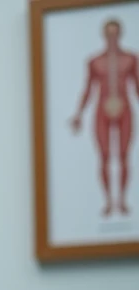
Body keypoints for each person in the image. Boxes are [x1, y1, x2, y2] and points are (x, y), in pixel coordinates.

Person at [71, 18, 139, 216]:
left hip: (124, 108)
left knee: (124, 156)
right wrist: (79, 114)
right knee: (104, 157)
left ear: (120, 34)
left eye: (115, 33)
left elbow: (137, 87)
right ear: (104, 35)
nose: (112, 37)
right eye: (108, 33)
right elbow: (88, 89)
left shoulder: (130, 59)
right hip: (102, 110)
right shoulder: (94, 61)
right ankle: (109, 201)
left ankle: (123, 201)